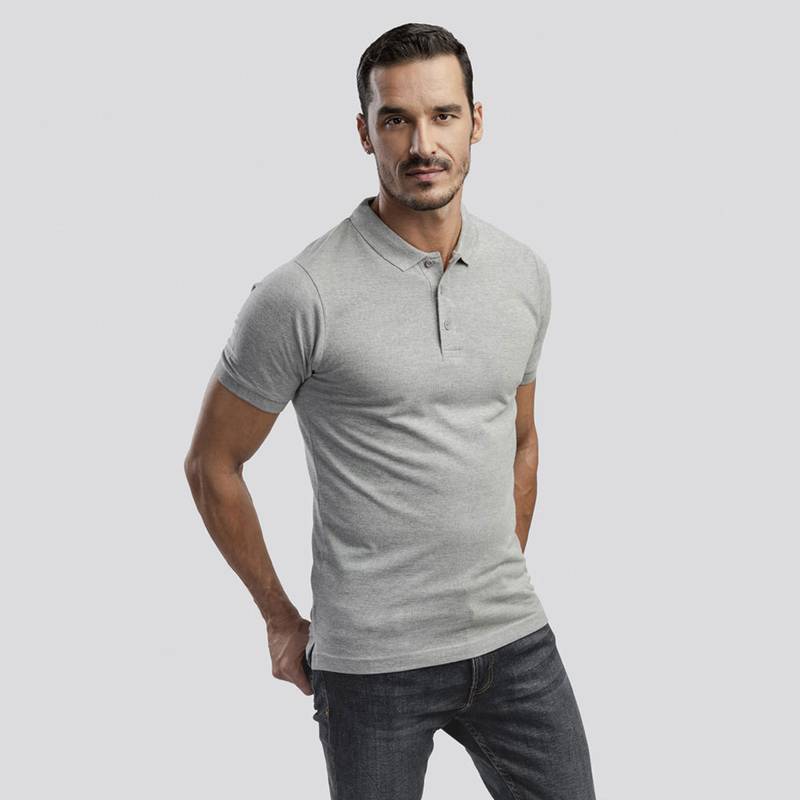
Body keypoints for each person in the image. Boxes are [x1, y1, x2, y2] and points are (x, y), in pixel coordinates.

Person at [184, 21, 597, 800]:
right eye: (396, 120)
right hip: (373, 666)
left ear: (477, 121)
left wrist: (492, 572)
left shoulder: (523, 274)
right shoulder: (301, 294)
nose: (422, 144)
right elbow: (213, 465)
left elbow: (521, 438)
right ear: (364, 132)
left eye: (443, 115)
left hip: (514, 643)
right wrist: (279, 618)